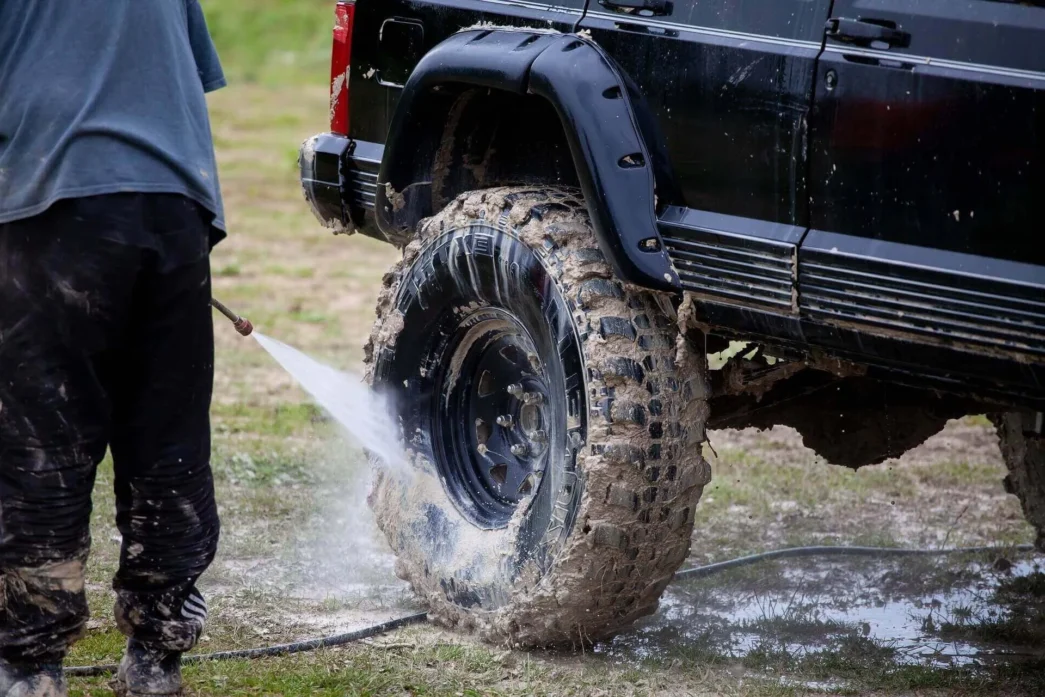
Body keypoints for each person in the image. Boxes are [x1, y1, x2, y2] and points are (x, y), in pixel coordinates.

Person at [0, 2, 226, 695]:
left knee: (43, 441)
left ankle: (31, 667)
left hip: (53, 197)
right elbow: (178, 74)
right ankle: (157, 657)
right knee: (168, 440)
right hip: (175, 206)